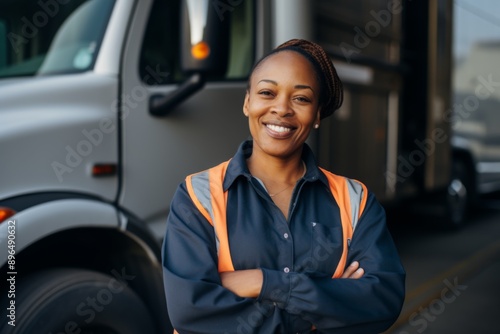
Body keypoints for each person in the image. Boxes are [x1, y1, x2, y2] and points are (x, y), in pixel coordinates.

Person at [162, 39, 405, 333]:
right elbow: (191, 311)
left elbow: (383, 301)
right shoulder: (197, 195)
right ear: (247, 102)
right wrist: (330, 302)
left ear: (317, 115)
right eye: (267, 92)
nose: (282, 108)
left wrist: (264, 283)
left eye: (301, 99)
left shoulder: (355, 200)